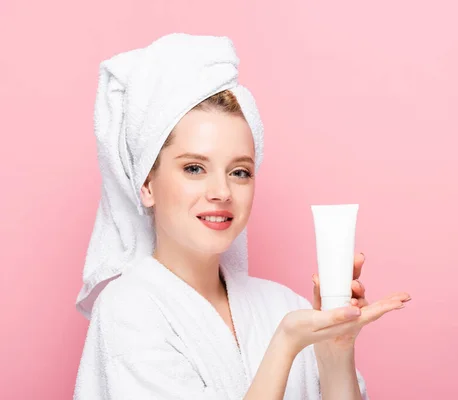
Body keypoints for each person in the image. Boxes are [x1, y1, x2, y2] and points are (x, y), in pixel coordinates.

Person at [73, 33, 411, 400]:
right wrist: (285, 345)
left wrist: (336, 349)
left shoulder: (283, 306)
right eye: (194, 168)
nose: (221, 191)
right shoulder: (129, 309)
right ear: (147, 184)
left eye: (239, 172)